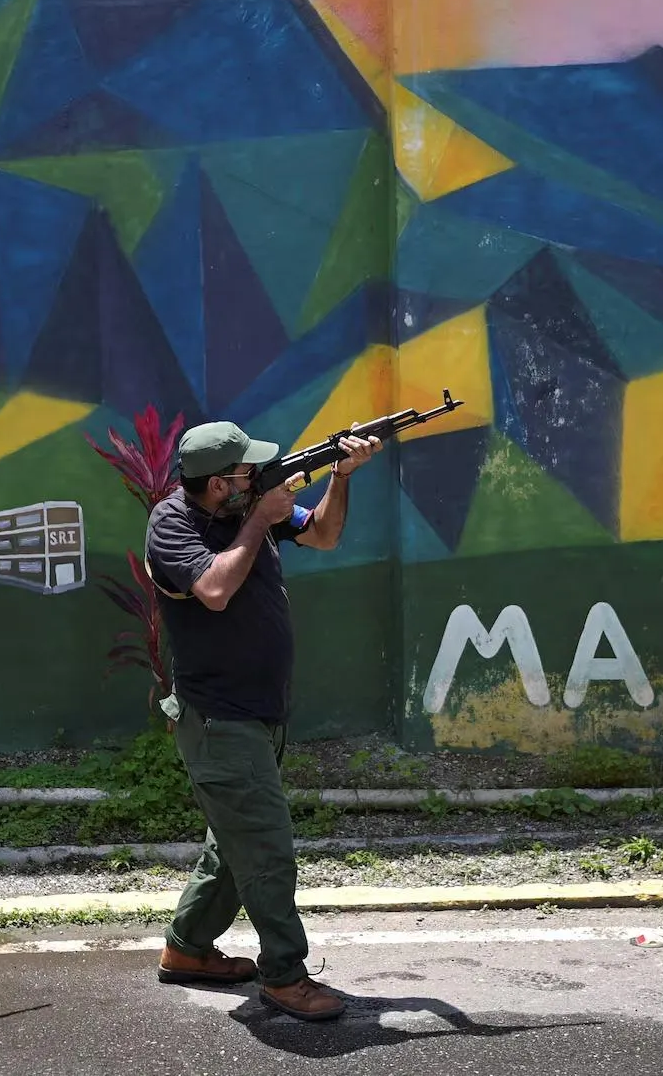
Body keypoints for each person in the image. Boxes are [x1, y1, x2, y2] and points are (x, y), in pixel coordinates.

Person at [143, 420, 381, 1022]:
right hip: (219, 719)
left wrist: (341, 476)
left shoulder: (249, 507)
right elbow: (214, 589)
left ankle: (187, 949)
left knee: (233, 846)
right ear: (219, 484)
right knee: (267, 851)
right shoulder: (173, 525)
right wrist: (260, 520)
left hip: (259, 713)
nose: (258, 476)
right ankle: (285, 976)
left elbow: (324, 534)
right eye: (247, 471)